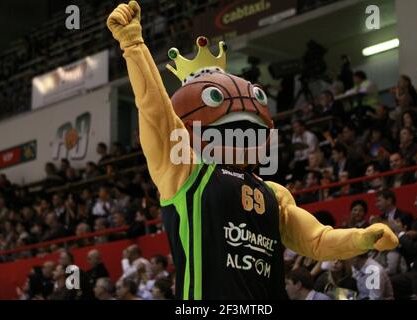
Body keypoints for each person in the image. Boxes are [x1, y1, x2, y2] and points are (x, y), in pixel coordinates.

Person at [107, 1, 398, 300]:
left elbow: (317, 239)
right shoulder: (185, 172)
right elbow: (155, 111)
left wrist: (363, 238)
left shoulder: (273, 192)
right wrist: (133, 44)